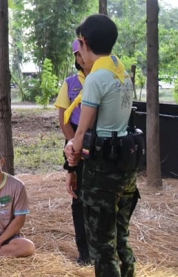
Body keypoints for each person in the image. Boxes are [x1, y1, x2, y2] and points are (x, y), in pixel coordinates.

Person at [64, 14, 139, 277]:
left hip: (103, 171)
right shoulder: (121, 71)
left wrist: (71, 163)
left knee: (103, 248)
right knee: (121, 240)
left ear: (84, 41)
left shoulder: (97, 78)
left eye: (78, 44)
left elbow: (82, 131)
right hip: (126, 166)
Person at [54, 39, 92, 265]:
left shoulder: (106, 78)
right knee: (78, 198)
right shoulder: (70, 83)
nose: (81, 58)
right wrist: (73, 143)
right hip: (76, 142)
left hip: (99, 140)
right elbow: (63, 118)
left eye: (84, 53)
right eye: (77, 55)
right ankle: (84, 252)